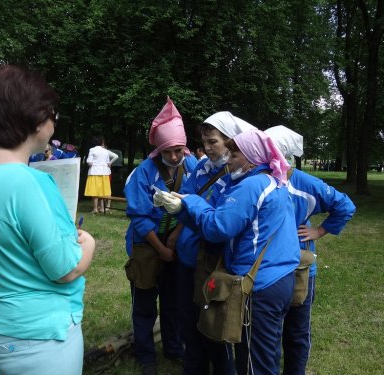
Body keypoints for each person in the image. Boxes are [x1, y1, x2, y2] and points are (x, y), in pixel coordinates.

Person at [0, 65, 96, 375]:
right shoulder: (30, 183)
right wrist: (89, 246)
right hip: (39, 337)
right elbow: (65, 268)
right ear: (35, 120)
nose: (54, 125)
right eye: (52, 115)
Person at [158, 129, 300, 375]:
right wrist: (182, 210)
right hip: (278, 278)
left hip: (260, 287)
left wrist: (191, 201)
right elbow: (223, 222)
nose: (230, 159)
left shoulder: (252, 184)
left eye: (235, 154)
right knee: (263, 353)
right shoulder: (272, 180)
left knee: (254, 362)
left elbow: (218, 228)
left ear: (251, 157)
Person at [265, 125, 356, 375]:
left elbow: (344, 206)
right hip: (265, 270)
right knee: (268, 332)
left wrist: (319, 231)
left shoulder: (300, 181)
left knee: (296, 330)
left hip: (299, 269)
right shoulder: (259, 179)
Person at [175, 111, 256, 375]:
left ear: (230, 141)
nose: (207, 148)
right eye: (205, 142)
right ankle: (194, 368)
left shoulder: (238, 171)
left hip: (212, 258)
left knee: (212, 323)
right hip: (188, 254)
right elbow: (186, 195)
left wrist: (191, 205)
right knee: (189, 320)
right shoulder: (201, 166)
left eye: (213, 142)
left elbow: (220, 220)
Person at [124, 97, 197, 375]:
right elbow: (140, 218)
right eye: (169, 151)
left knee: (174, 300)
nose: (175, 156)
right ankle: (146, 356)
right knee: (144, 302)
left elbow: (194, 201)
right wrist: (161, 248)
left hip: (175, 242)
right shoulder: (142, 174)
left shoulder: (190, 167)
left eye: (179, 150)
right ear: (158, 149)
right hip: (147, 244)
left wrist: (177, 234)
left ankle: (174, 348)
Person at [84, 135, 118, 214]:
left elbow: (89, 162)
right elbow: (107, 161)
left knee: (94, 191)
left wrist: (91, 163)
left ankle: (95, 209)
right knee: (102, 191)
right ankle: (102, 208)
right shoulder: (105, 151)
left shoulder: (92, 150)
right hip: (105, 173)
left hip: (95, 172)